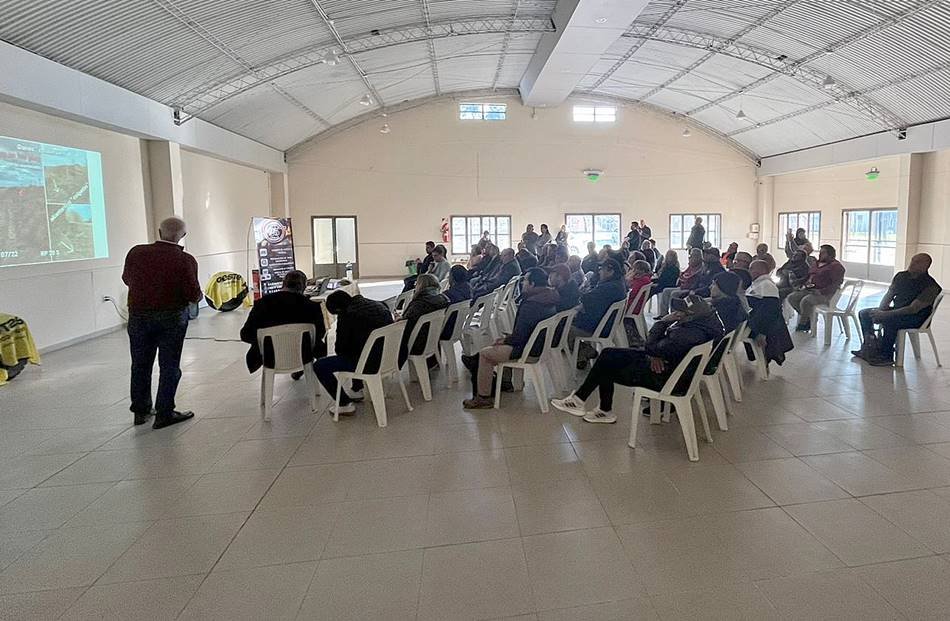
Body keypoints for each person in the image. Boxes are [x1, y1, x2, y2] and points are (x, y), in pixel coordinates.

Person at [552, 294, 723, 424]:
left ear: (690, 315)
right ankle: (588, 404)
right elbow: (658, 348)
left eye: (680, 312)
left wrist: (662, 323)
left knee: (606, 364)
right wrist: (656, 352)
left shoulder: (687, 334)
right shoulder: (704, 325)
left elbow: (651, 345)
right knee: (608, 355)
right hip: (671, 367)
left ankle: (594, 406)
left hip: (665, 377)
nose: (675, 313)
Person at [122, 217, 202, 429]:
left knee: (140, 364)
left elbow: (126, 278)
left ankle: (140, 411)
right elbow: (193, 293)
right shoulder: (185, 260)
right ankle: (164, 413)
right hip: (171, 318)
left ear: (159, 232)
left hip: (138, 316)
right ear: (182, 235)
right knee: (169, 366)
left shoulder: (136, 253)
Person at [462, 268, 559, 408]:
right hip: (539, 345)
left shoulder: (531, 304)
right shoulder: (550, 297)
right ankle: (504, 381)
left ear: (532, 284)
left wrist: (505, 340)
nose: (523, 283)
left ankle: (483, 398)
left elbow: (519, 336)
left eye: (525, 280)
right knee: (498, 342)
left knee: (485, 354)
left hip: (526, 348)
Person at [314, 290, 393, 416]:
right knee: (356, 350)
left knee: (320, 365)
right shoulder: (378, 305)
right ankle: (356, 389)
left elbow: (340, 348)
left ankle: (344, 404)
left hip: (370, 363)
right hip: (390, 357)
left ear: (338, 310)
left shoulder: (347, 316)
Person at [853, 253, 941, 366]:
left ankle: (886, 355)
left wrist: (885, 315)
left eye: (917, 262)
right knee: (865, 313)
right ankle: (870, 346)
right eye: (913, 260)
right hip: (898, 310)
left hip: (916, 317)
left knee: (891, 320)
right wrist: (880, 311)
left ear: (926, 266)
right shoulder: (901, 276)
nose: (912, 263)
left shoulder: (931, 286)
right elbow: (889, 294)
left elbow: (913, 309)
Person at [239, 270, 327, 376]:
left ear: (283, 284)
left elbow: (245, 335)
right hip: (303, 355)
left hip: (270, 358)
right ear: (304, 287)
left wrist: (265, 340)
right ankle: (301, 369)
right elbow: (320, 334)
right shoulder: (312, 306)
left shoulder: (263, 303)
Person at [570, 258, 627, 365]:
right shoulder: (618, 283)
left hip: (599, 327)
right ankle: (582, 356)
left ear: (611, 271)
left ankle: (584, 352)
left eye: (602, 269)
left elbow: (585, 298)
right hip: (607, 323)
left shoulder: (608, 287)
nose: (599, 271)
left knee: (564, 330)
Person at [787, 244, 846, 332]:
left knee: (806, 301)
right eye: (820, 252)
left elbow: (836, 284)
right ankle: (809, 318)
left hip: (825, 294)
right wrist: (801, 284)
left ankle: (804, 323)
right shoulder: (816, 263)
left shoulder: (836, 266)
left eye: (823, 253)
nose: (820, 254)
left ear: (830, 254)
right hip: (811, 289)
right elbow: (808, 276)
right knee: (792, 297)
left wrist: (821, 291)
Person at [746, 259, 793, 366]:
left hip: (760, 326)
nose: (749, 271)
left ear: (760, 270)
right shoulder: (757, 283)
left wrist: (762, 333)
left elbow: (769, 311)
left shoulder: (767, 285)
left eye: (751, 269)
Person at [398, 274, 449, 367]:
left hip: (417, 341)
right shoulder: (443, 299)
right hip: (432, 338)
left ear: (420, 285)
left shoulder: (419, 303)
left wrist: (399, 319)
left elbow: (406, 322)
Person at [656, 248, 703, 316]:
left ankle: (674, 316)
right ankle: (663, 315)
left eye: (691, 256)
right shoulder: (691, 266)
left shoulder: (700, 268)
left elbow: (689, 278)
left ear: (698, 257)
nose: (689, 257)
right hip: (683, 286)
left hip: (690, 288)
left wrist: (683, 278)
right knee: (666, 291)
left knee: (674, 294)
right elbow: (683, 274)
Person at [623, 260, 653, 345]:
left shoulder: (642, 281)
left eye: (634, 269)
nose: (632, 271)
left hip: (632, 306)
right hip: (636, 306)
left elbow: (632, 293)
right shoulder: (645, 279)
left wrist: (629, 279)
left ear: (641, 270)